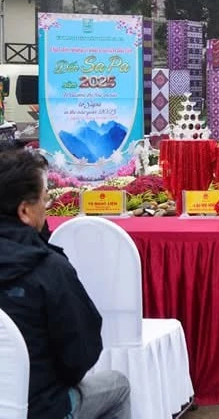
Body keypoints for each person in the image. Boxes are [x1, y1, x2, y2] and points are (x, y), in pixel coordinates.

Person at [0, 147, 132, 419]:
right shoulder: (47, 268)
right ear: (25, 210)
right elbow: (81, 356)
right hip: (37, 407)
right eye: (44, 201)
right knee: (118, 385)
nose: (46, 208)